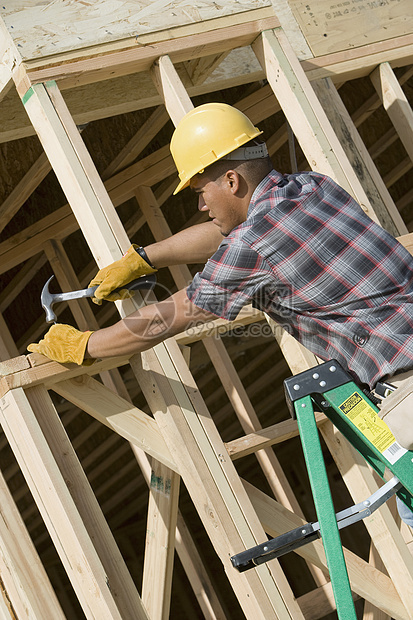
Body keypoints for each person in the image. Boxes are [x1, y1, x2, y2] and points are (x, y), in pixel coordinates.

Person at [28, 103, 413, 523]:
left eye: (200, 191)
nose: (200, 205)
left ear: (231, 180)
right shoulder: (314, 188)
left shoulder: (251, 245)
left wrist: (85, 345)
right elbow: (222, 233)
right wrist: (144, 258)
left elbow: (172, 315)